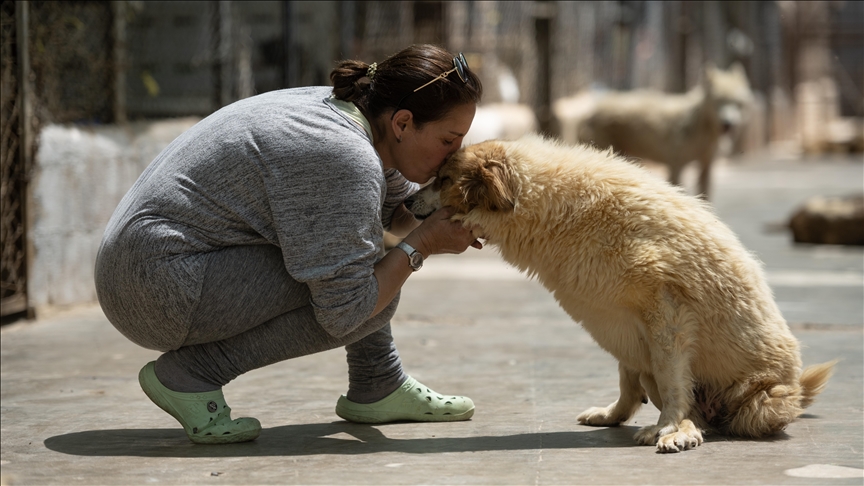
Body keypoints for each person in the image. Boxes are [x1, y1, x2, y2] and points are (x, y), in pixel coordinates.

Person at [94, 44, 484, 444]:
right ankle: (193, 374)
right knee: (365, 293)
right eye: (449, 140)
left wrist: (442, 206)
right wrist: (424, 243)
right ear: (403, 123)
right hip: (155, 287)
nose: (455, 156)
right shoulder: (343, 154)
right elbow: (348, 310)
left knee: (360, 258)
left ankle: (377, 382)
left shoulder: (354, 112)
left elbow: (393, 214)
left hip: (147, 265)